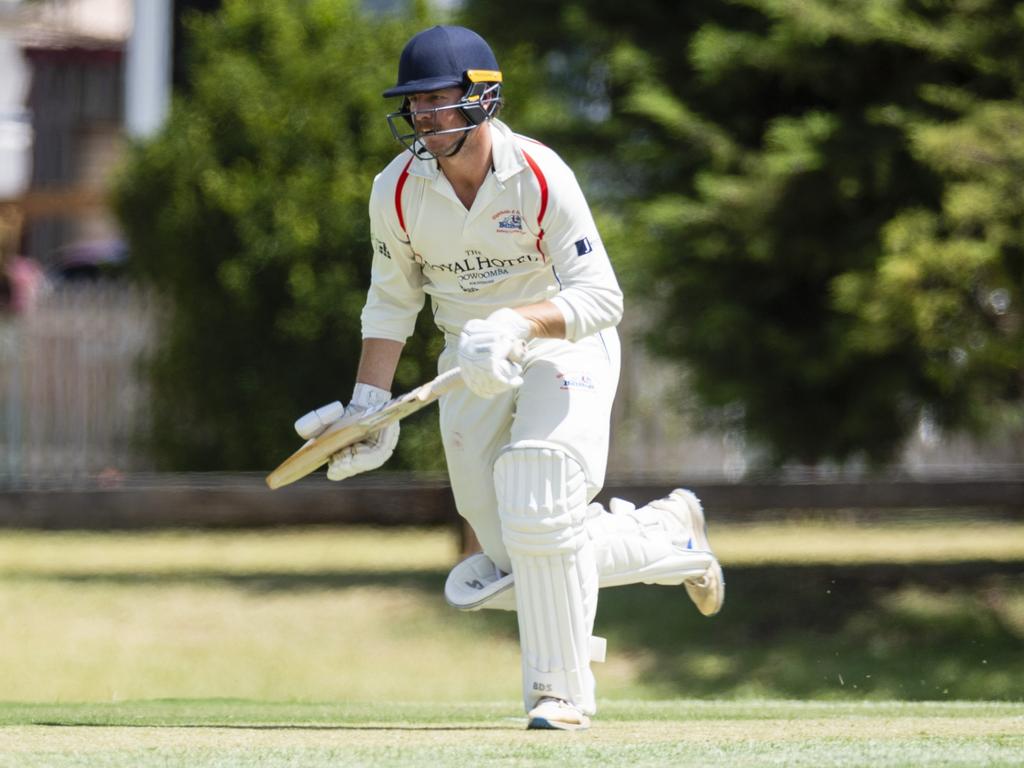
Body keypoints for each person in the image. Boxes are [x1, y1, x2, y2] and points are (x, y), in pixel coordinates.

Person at [295, 25, 724, 731]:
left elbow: (601, 298)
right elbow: (391, 300)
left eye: (439, 102)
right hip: (469, 362)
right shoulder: (396, 191)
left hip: (562, 344)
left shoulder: (541, 174)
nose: (425, 120)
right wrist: (370, 407)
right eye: (416, 105)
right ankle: (670, 537)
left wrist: (516, 324)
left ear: (482, 99)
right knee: (508, 558)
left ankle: (559, 696)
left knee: (537, 487)